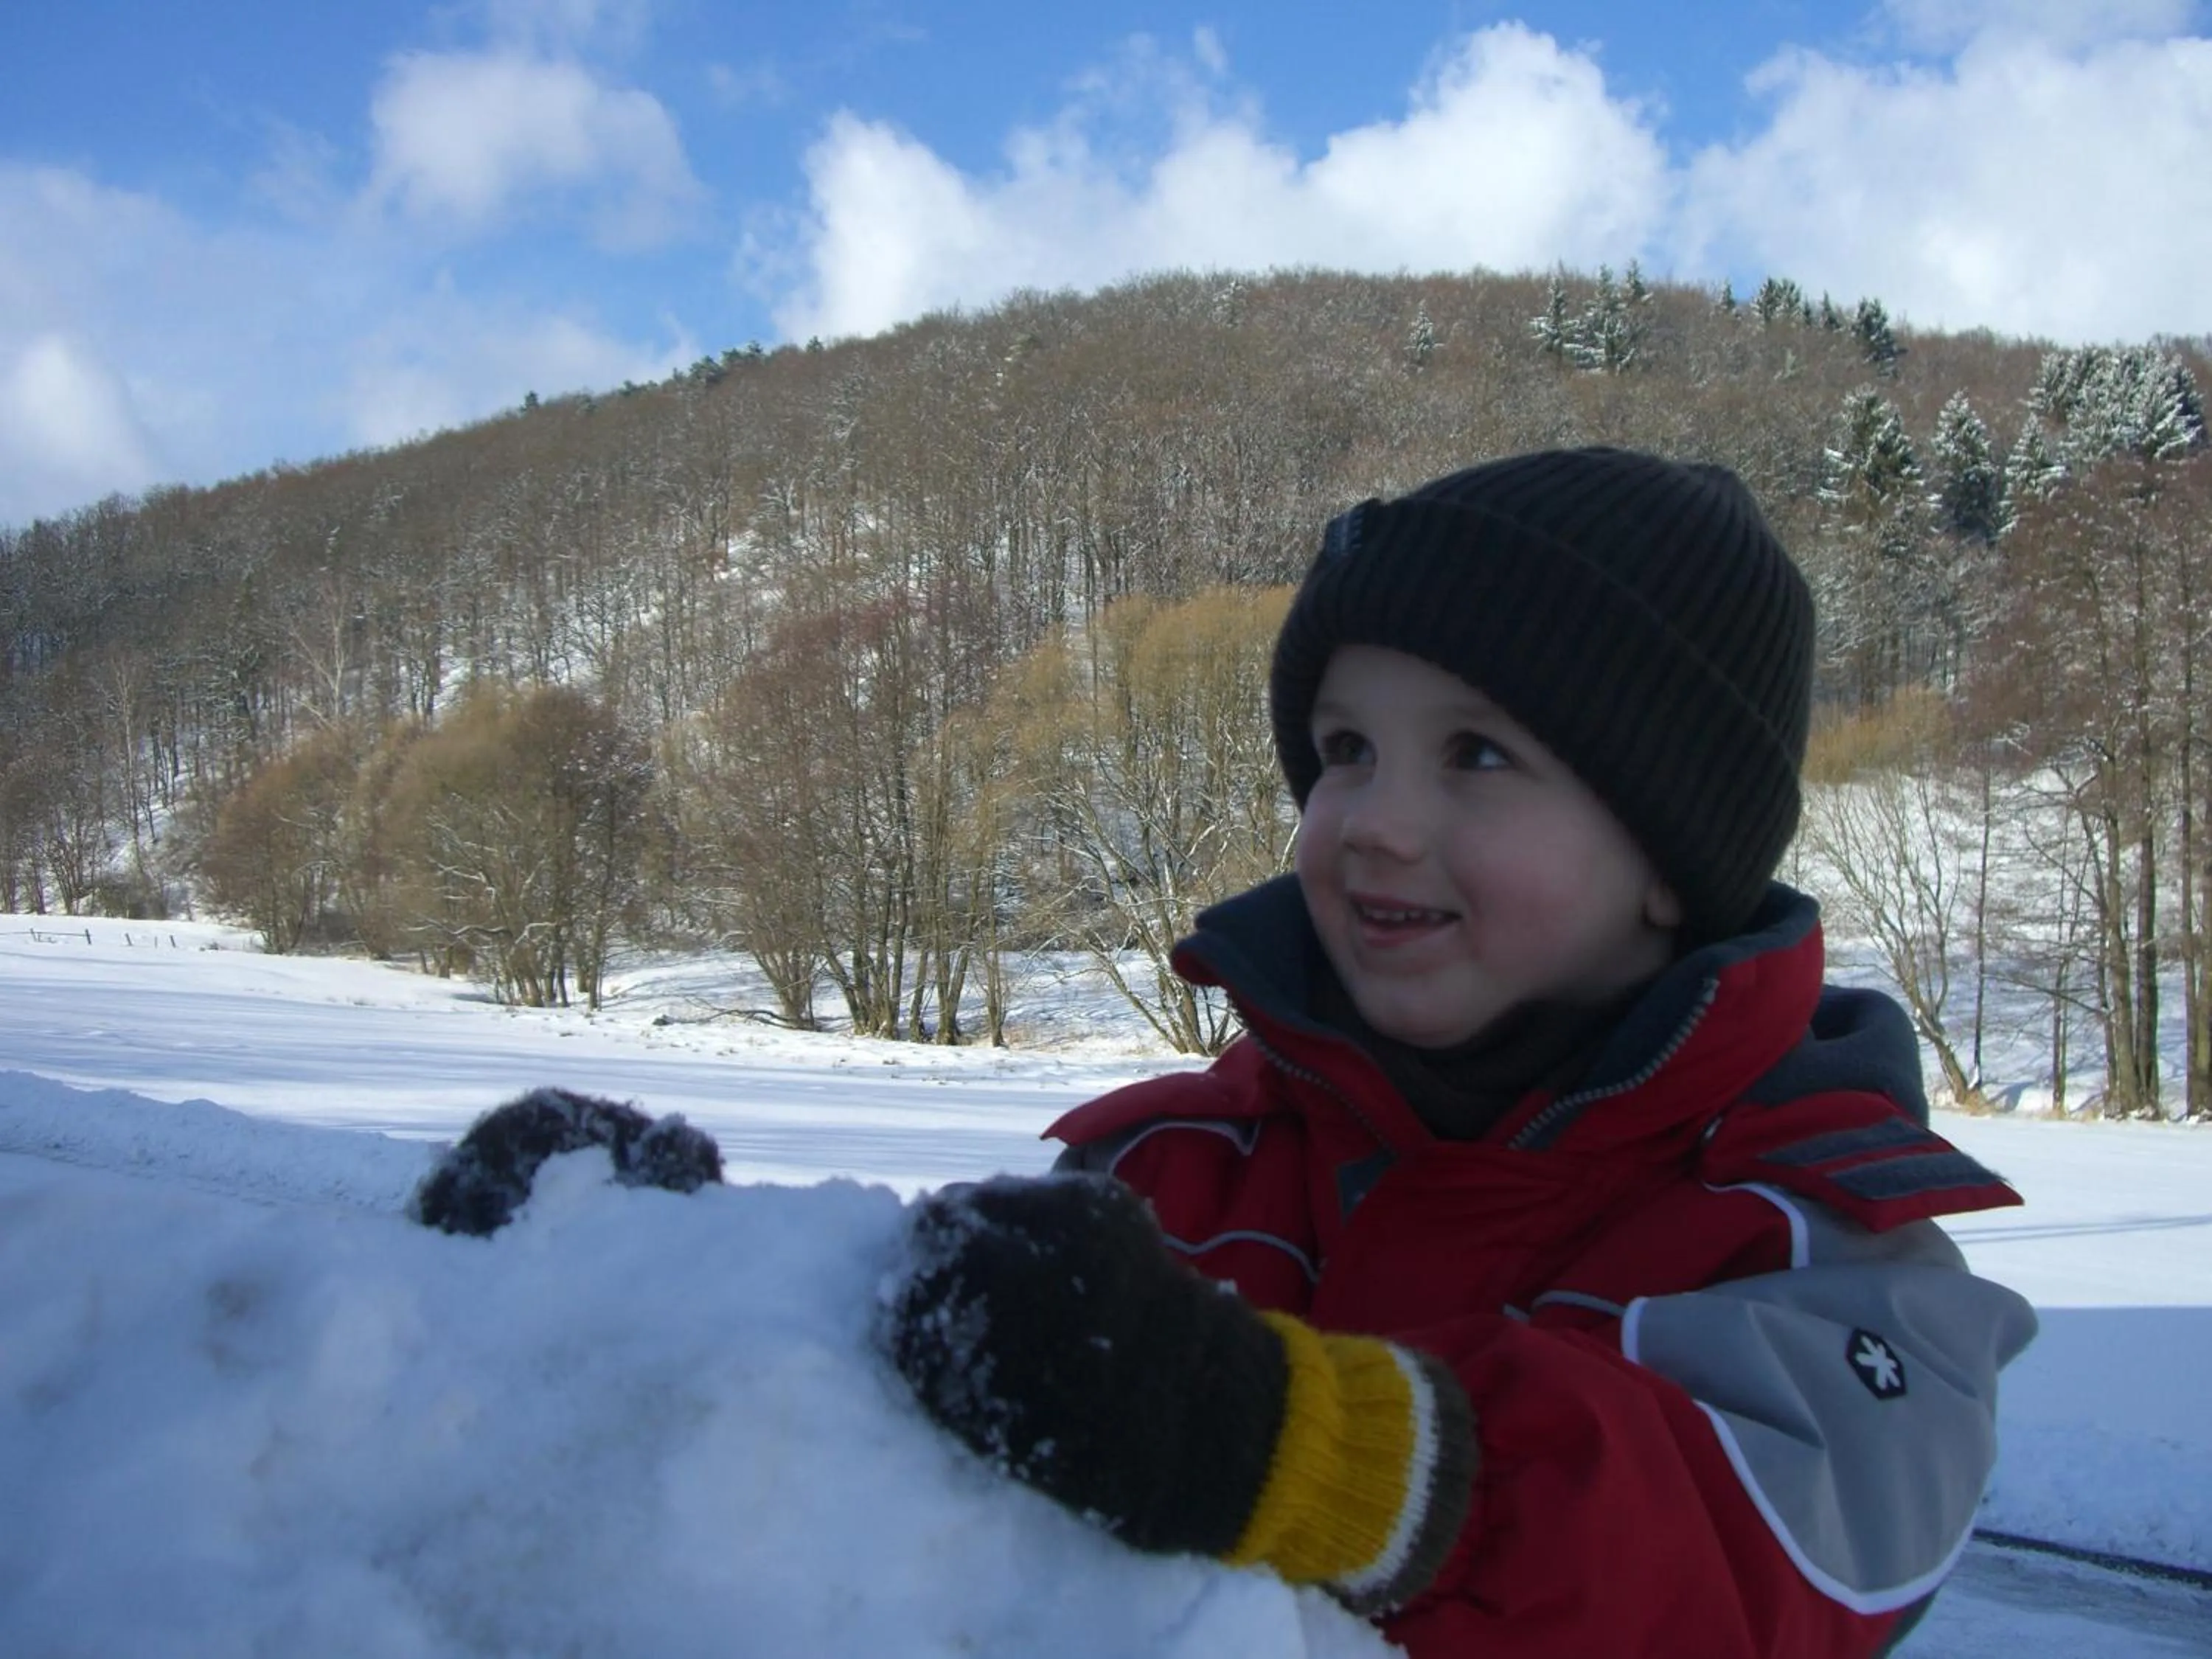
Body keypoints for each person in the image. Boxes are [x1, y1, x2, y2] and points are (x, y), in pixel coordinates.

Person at [881, 448, 2038, 1658]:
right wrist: (717, 1282)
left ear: (1669, 860)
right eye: (1346, 750)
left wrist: (1313, 1457)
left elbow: (1736, 1557)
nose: (1375, 821)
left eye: (1476, 754)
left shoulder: (1828, 1246)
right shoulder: (1169, 1167)